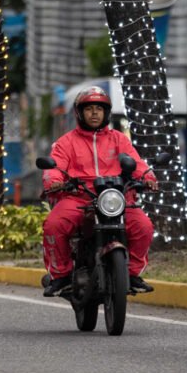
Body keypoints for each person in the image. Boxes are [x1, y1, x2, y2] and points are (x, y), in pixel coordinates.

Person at [41, 86, 157, 297]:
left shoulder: (120, 140)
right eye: (89, 109)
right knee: (54, 225)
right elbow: (54, 167)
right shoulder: (66, 142)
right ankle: (61, 277)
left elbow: (136, 163)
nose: (94, 113)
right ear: (80, 113)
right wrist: (54, 181)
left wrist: (148, 178)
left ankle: (131, 275)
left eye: (99, 109)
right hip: (78, 197)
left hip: (115, 198)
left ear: (106, 112)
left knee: (144, 226)